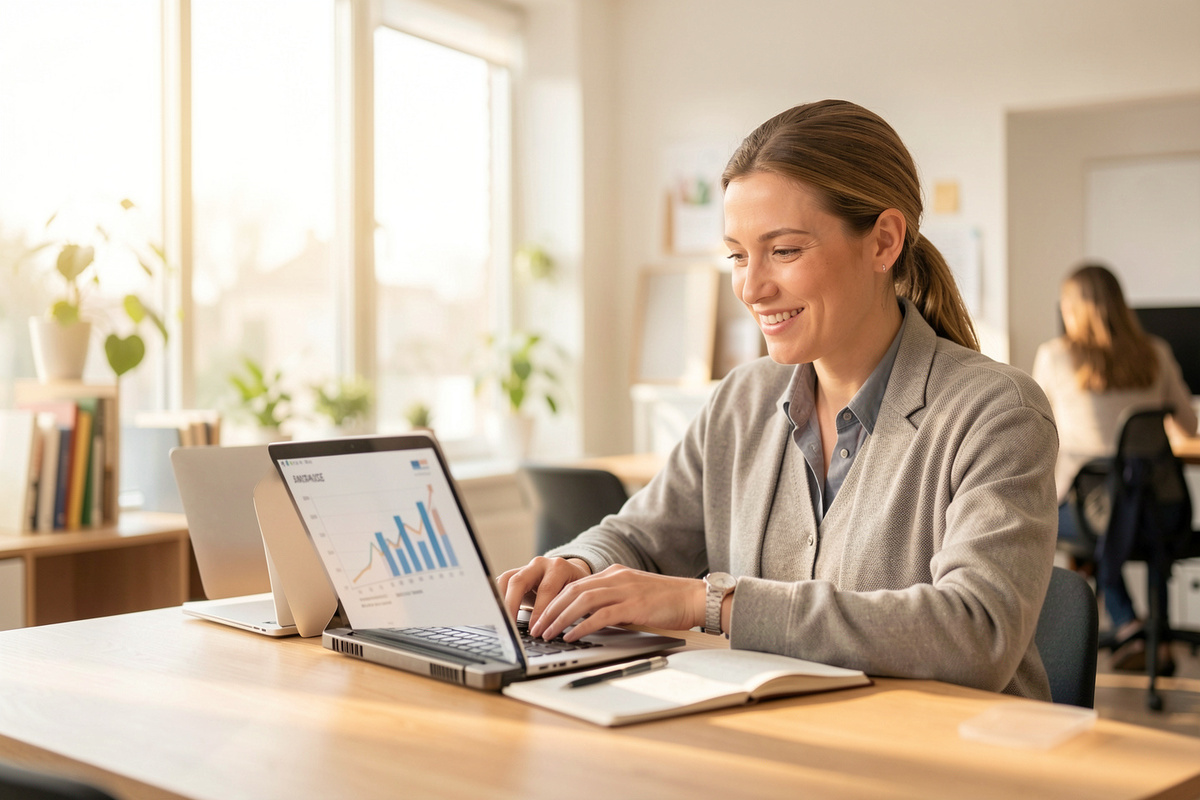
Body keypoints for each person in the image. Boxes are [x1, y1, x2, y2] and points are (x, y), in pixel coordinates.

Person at [499, 99, 1059, 700]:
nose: (750, 287)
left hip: (944, 748)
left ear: (883, 242)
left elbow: (975, 633)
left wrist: (708, 603)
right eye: (737, 255)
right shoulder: (742, 399)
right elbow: (639, 538)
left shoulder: (997, 412)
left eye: (784, 251)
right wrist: (578, 567)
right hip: (781, 737)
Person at [1032, 263, 1197, 670]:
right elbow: (1188, 426)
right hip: (1165, 508)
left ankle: (1128, 625)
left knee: (1073, 519)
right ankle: (1153, 634)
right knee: (1140, 519)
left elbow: (1037, 433)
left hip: (1094, 513)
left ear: (1072, 309)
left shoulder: (1054, 357)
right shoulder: (1155, 352)